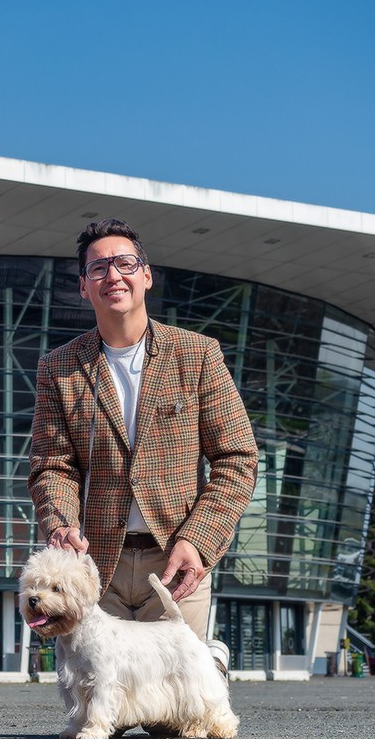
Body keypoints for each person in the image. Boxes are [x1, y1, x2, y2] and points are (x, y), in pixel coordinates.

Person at [28, 218, 257, 673]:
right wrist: (61, 525)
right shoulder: (58, 367)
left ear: (146, 276)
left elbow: (237, 458)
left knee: (175, 706)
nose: (113, 275)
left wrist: (199, 539)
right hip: (95, 565)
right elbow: (52, 465)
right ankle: (207, 660)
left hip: (174, 559)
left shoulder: (197, 354)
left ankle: (208, 660)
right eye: (98, 268)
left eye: (125, 263)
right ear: (84, 287)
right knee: (98, 700)